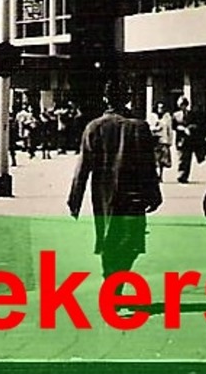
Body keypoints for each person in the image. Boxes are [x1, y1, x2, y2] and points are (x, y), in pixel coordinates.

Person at [67, 81, 163, 278]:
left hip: (105, 195)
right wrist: (154, 194)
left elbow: (83, 167)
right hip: (133, 195)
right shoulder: (140, 127)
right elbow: (149, 167)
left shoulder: (94, 127)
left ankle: (111, 282)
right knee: (132, 243)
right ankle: (115, 284)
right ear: (127, 98)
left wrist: (74, 199)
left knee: (109, 239)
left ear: (105, 98)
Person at [175, 97, 206, 184]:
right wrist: (183, 129)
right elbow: (174, 126)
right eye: (181, 105)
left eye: (184, 105)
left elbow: (196, 124)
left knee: (188, 159)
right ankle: (180, 175)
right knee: (181, 158)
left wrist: (192, 128)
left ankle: (184, 176)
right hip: (181, 140)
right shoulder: (176, 115)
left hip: (190, 140)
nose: (183, 107)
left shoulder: (192, 114)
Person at [152, 102, 175, 180]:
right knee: (155, 159)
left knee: (162, 160)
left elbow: (170, 129)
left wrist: (170, 141)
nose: (160, 109)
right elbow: (149, 127)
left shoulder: (167, 117)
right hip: (155, 140)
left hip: (163, 141)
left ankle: (160, 175)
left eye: (162, 108)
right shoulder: (153, 116)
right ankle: (155, 174)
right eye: (159, 107)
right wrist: (155, 128)